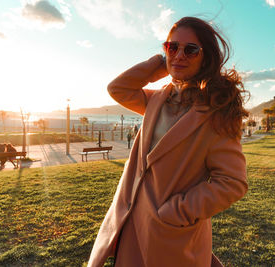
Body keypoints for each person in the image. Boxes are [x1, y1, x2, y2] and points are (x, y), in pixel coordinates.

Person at [88, 17, 249, 267]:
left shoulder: (217, 113)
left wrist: (176, 211)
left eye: (191, 50)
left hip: (170, 235)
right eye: (172, 47)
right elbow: (118, 88)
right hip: (131, 223)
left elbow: (232, 182)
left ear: (205, 57)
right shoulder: (158, 99)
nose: (180, 54)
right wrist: (164, 63)